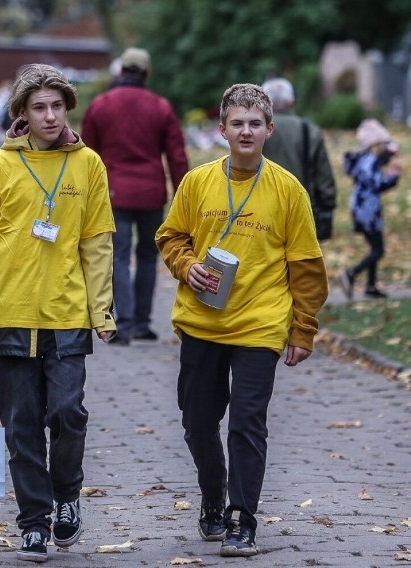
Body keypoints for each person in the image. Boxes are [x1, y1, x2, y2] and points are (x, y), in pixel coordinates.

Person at [155, 83, 328, 557]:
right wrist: (185, 266)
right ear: (223, 130)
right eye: (238, 123)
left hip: (260, 324)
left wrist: (303, 327)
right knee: (197, 423)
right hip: (202, 322)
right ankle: (213, 496)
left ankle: (242, 517)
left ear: (269, 129)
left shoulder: (288, 190)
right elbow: (171, 237)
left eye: (255, 123)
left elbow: (307, 267)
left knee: (248, 423)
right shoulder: (197, 182)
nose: (246, 131)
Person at [0, 63, 116, 563]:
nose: (49, 116)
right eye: (39, 107)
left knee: (68, 413)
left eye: (56, 106)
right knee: (22, 423)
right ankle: (33, 522)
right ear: (22, 114)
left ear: (67, 108)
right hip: (10, 312)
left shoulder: (89, 164)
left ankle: (67, 494)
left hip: (68, 312)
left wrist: (103, 310)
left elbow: (96, 243)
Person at [82, 47, 189, 344]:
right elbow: (177, 155)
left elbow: (86, 154)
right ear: (146, 73)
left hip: (113, 192)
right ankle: (142, 322)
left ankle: (124, 323)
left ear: (120, 71)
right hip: (151, 192)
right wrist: (185, 193)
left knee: (118, 256)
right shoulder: (161, 107)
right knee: (146, 256)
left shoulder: (101, 105)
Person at [261, 77, 337, 240]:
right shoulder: (309, 130)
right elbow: (324, 176)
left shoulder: (256, 130)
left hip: (260, 211)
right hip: (301, 212)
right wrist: (327, 208)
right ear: (292, 101)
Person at [339, 118, 401, 300]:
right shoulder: (371, 162)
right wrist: (393, 177)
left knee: (374, 247)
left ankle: (371, 286)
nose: (386, 146)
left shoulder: (366, 159)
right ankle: (351, 273)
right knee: (378, 250)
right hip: (367, 211)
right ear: (375, 145)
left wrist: (390, 152)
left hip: (362, 208)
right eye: (384, 144)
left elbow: (383, 159)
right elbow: (378, 183)